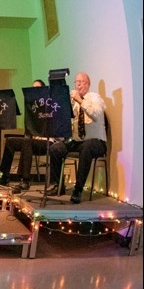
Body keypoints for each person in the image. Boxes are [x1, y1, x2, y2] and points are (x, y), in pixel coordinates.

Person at [47, 72, 107, 204]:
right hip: (78, 142)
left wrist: (80, 100)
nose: (78, 84)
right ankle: (58, 185)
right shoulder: (74, 104)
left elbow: (96, 115)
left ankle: (78, 189)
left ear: (88, 84)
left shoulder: (94, 98)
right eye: (76, 82)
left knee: (87, 146)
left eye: (82, 82)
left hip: (97, 142)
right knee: (55, 149)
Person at [0, 80, 50, 193]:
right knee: (11, 141)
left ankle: (25, 180)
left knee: (27, 142)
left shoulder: (48, 105)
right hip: (32, 140)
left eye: (37, 88)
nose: (33, 91)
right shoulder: (32, 106)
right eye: (32, 88)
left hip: (46, 141)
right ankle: (4, 176)